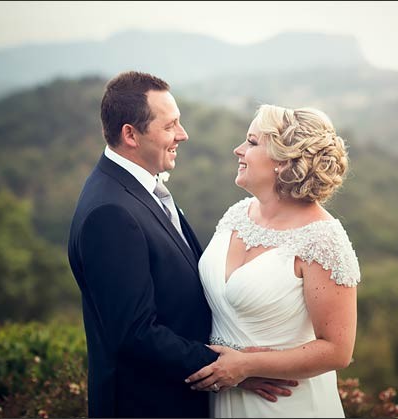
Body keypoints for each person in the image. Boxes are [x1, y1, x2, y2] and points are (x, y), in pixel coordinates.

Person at [67, 72, 295, 418]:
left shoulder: (136, 190)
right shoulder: (111, 212)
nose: (183, 135)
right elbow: (135, 334)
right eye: (170, 125)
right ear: (130, 134)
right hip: (147, 405)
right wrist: (230, 368)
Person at [187, 104, 361, 417]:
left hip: (283, 404)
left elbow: (338, 350)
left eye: (252, 143)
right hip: (222, 397)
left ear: (283, 160)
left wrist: (247, 366)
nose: (238, 150)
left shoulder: (323, 240)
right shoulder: (237, 214)